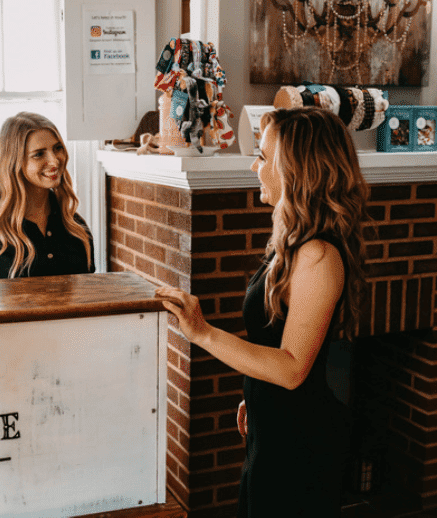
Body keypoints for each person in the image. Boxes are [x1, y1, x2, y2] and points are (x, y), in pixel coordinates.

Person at [156, 107, 369, 517]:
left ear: (296, 170)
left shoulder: (319, 255)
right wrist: (253, 397)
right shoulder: (293, 243)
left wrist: (202, 333)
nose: (255, 165)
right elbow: (273, 342)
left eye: (265, 156)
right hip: (272, 424)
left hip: (301, 439)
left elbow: (291, 368)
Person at [0, 112, 94, 280]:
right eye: (39, 154)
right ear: (14, 162)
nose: (54, 161)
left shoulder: (76, 227)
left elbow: (87, 298)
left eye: (57, 148)